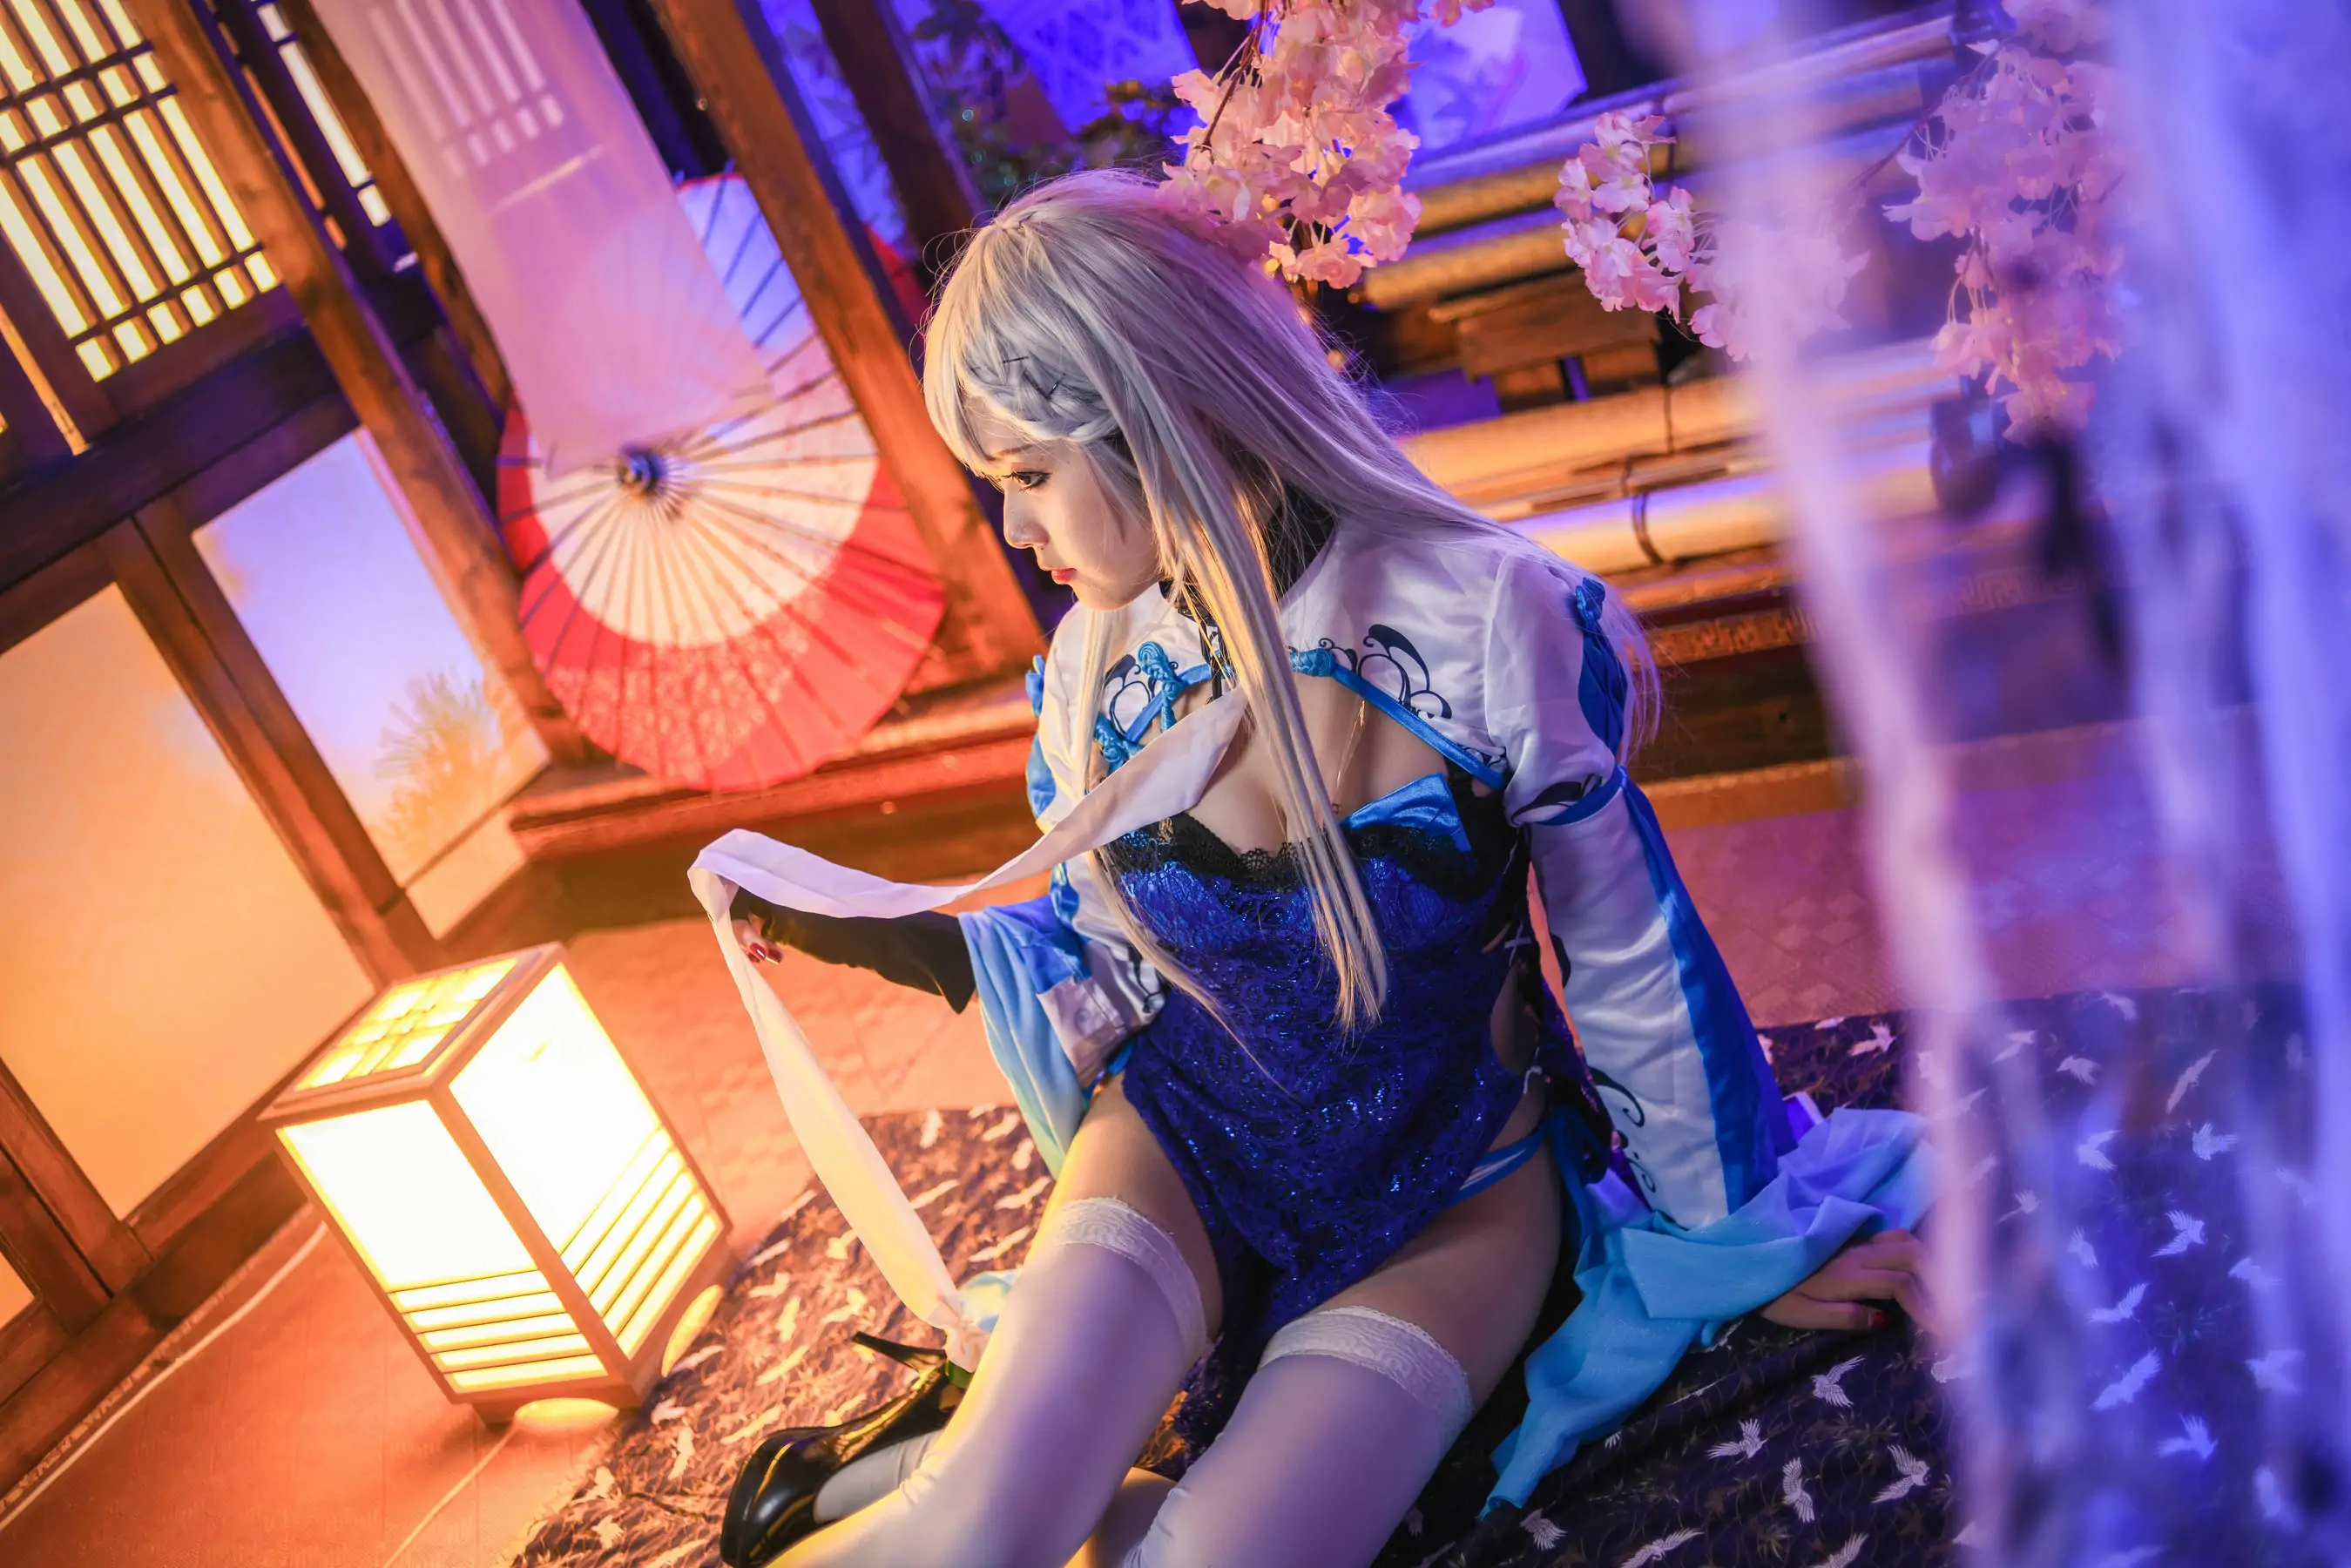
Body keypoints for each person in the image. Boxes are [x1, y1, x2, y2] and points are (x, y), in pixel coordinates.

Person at [711, 168, 1932, 1568]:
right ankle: (964, 1466)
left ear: (1158, 420)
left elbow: (1632, 963)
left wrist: (1735, 1242)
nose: (1016, 533)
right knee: (975, 1532)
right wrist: (915, 939)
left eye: (1027, 476)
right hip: (1185, 1139)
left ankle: (949, 1455)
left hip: (1457, 1193)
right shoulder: (1091, 670)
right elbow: (1110, 966)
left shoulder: (1492, 623)